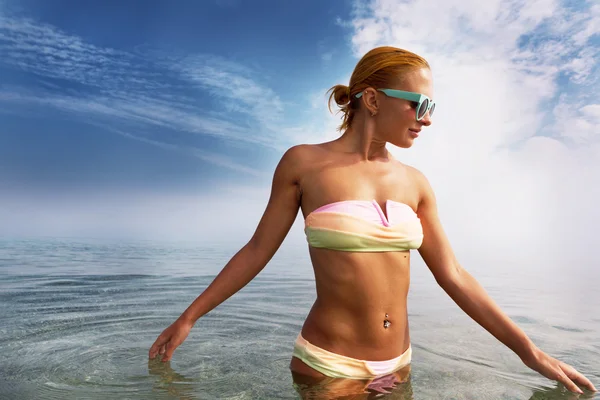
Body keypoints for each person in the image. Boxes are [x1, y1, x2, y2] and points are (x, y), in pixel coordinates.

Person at [148, 46, 597, 396]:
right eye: (419, 103)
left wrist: (530, 352)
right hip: (328, 365)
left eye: (432, 108)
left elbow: (454, 276)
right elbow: (257, 250)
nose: (426, 119)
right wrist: (190, 317)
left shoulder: (416, 182)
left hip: (398, 365)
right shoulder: (304, 165)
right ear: (372, 99)